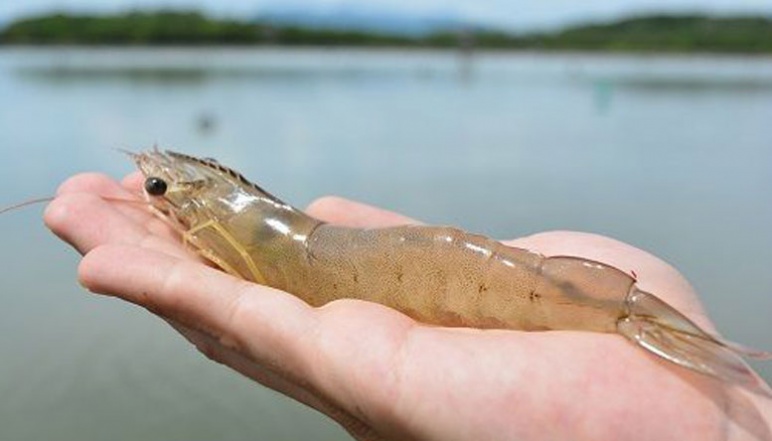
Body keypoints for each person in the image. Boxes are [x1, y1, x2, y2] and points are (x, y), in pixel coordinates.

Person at [45, 172, 771, 441]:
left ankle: (622, 313)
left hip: (442, 271)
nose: (161, 198)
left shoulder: (222, 223)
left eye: (167, 194)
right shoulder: (227, 208)